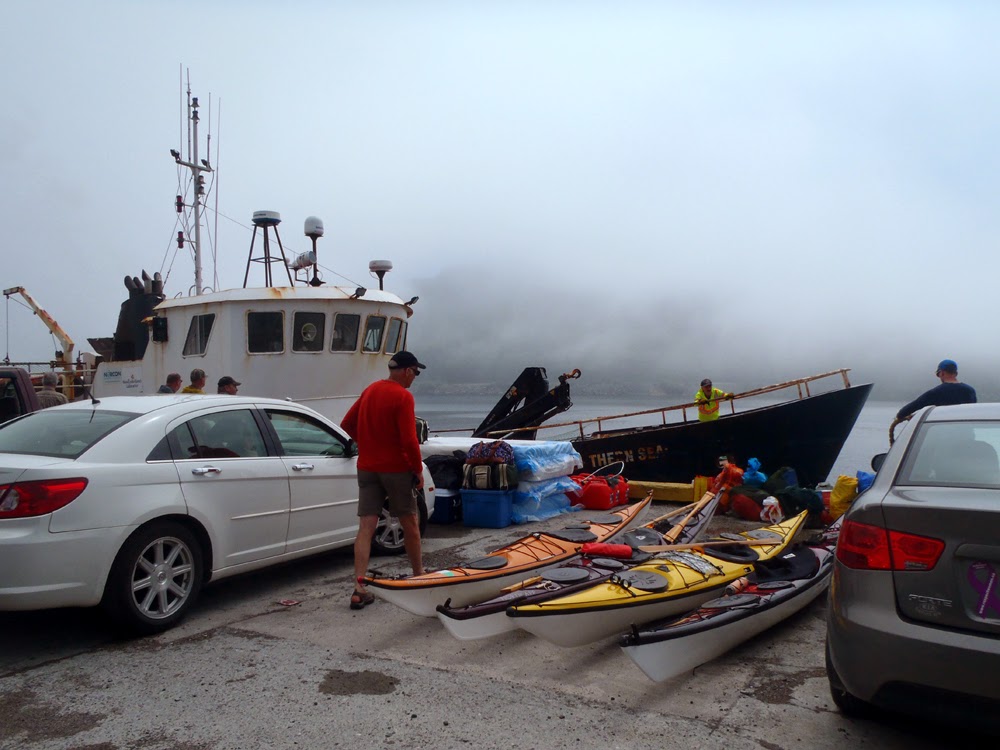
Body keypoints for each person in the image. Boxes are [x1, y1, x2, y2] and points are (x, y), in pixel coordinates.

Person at [340, 351, 427, 610]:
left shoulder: (371, 390)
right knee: (410, 521)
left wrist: (368, 443)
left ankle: (359, 587)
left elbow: (347, 424)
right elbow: (409, 440)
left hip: (367, 467)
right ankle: (419, 576)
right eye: (416, 373)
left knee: (366, 526)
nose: (414, 379)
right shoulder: (403, 396)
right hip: (395, 469)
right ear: (408, 371)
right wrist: (417, 470)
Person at [896, 359, 977, 420]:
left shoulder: (936, 392)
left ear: (941, 373)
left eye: (938, 374)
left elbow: (903, 413)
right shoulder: (970, 391)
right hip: (966, 434)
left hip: (943, 436)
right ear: (956, 373)